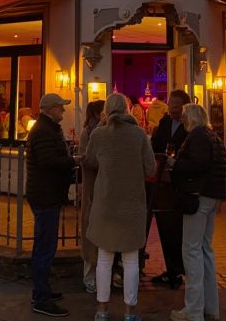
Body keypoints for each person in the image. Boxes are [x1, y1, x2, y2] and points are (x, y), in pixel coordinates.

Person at [84, 93, 155, 321]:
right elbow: (150, 168)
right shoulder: (138, 134)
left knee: (104, 259)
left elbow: (90, 160)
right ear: (127, 109)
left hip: (106, 203)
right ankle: (129, 312)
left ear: (106, 110)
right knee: (131, 260)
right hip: (131, 204)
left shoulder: (99, 134)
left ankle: (102, 310)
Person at [168, 103, 226, 321]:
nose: (182, 121)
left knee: (191, 250)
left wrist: (175, 164)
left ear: (191, 118)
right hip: (212, 197)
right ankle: (211, 307)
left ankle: (193, 311)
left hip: (197, 197)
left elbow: (198, 165)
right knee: (205, 250)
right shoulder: (213, 136)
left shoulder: (198, 136)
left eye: (184, 117)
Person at [25, 93, 76, 317]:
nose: (63, 111)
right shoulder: (43, 131)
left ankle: (41, 290)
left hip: (48, 193)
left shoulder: (49, 129)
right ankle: (41, 298)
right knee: (45, 247)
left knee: (44, 245)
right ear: (49, 109)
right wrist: (73, 161)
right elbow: (48, 161)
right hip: (45, 194)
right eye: (59, 107)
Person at [149, 89, 191, 289]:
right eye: (171, 104)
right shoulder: (164, 123)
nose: (172, 108)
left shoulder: (190, 125)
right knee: (166, 226)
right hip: (164, 182)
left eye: (176, 105)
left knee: (180, 229)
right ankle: (172, 270)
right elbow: (155, 145)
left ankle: (183, 269)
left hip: (181, 183)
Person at [79, 99, 105, 295]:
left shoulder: (107, 132)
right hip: (92, 190)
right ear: (97, 114)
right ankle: (89, 277)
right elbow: (86, 159)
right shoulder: (88, 133)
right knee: (90, 231)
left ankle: (103, 275)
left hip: (104, 190)